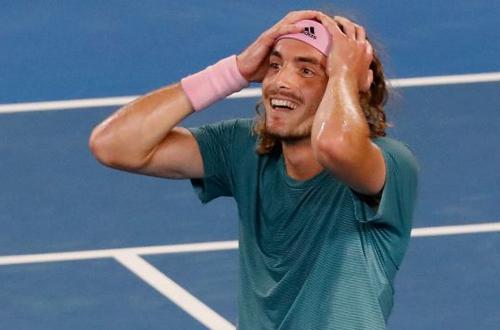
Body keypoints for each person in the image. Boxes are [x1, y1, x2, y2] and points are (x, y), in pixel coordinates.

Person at [89, 10, 418, 329]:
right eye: (275, 65)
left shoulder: (390, 164)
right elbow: (113, 145)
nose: (281, 81)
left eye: (307, 71)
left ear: (344, 87)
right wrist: (235, 71)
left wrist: (346, 73)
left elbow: (334, 146)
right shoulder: (243, 149)